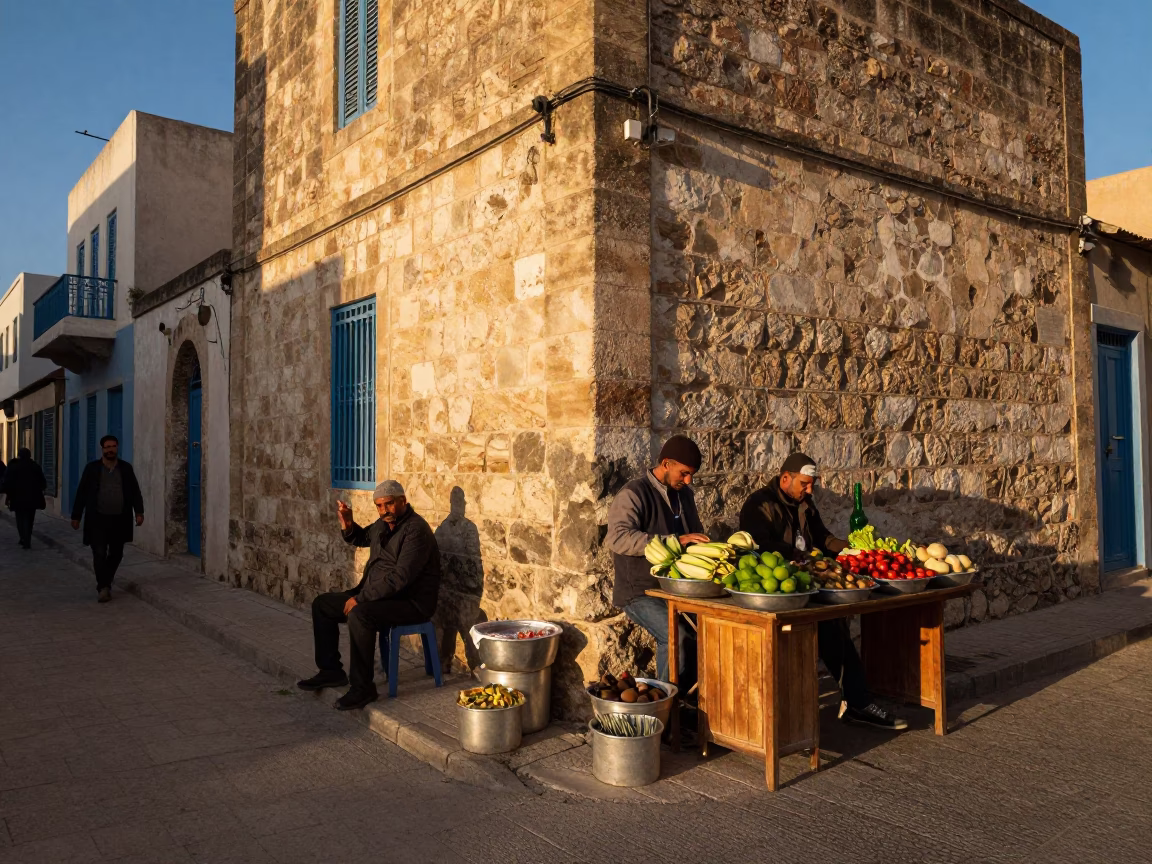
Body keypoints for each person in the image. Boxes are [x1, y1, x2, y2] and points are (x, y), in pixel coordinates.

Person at [740, 453, 907, 731]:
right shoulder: (759, 504)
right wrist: (795, 554)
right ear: (785, 478)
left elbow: (823, 538)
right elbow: (758, 544)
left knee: (836, 630)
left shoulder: (806, 504)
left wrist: (853, 550)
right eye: (805, 484)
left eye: (811, 485)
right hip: (775, 593)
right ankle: (784, 720)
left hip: (808, 586)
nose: (809, 490)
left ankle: (858, 702)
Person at [298, 480, 442, 711]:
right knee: (322, 604)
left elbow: (400, 578)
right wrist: (347, 523)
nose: (384, 510)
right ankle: (331, 671)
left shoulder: (416, 531)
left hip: (410, 602)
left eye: (389, 504)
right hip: (378, 596)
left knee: (359, 614)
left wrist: (362, 599)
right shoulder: (383, 524)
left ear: (403, 501)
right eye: (379, 506)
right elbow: (361, 538)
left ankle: (363, 688)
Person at [606, 435, 709, 695]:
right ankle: (664, 706)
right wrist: (674, 541)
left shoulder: (684, 495)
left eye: (691, 475)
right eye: (684, 474)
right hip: (639, 591)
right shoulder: (633, 493)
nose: (688, 481)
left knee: (714, 631)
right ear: (666, 463)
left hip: (677, 589)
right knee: (676, 636)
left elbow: (693, 534)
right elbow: (617, 538)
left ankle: (696, 705)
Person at [71, 435, 144, 603]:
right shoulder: (92, 469)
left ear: (117, 448)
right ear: (102, 449)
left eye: (113, 446)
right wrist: (76, 516)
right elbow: (82, 492)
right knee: (99, 552)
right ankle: (103, 587)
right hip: (97, 519)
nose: (110, 449)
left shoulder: (125, 468)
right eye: (107, 447)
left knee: (116, 553)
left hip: (120, 519)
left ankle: (106, 581)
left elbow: (134, 491)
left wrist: (139, 512)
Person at [2, 448, 46, 549]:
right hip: (32, 498)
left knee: (20, 519)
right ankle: (27, 538)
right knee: (30, 519)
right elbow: (43, 483)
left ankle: (23, 538)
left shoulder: (13, 467)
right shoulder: (35, 467)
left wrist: (8, 495)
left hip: (18, 498)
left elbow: (7, 482)